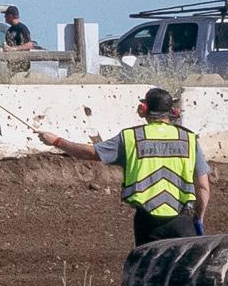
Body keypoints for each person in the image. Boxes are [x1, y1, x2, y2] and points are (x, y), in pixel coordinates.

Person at [40, 87, 212, 245]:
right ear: (172, 112)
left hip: (148, 222)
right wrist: (199, 218)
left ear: (144, 110)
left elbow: (91, 153)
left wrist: (56, 141)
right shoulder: (189, 139)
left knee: (148, 273)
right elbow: (203, 187)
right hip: (183, 221)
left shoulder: (131, 137)